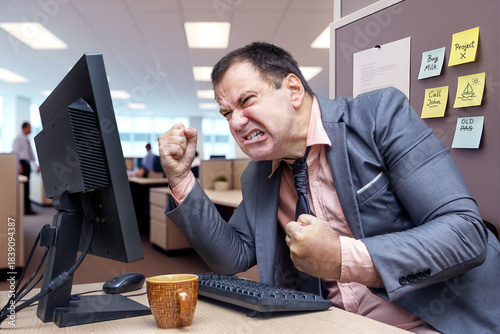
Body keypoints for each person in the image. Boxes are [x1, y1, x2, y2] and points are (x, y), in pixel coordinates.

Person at [158, 42, 500, 333]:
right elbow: (230, 257)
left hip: (429, 322)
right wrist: (181, 178)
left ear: (292, 89)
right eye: (225, 113)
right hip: (333, 323)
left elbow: (464, 234)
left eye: (246, 101)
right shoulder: (258, 175)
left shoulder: (378, 116)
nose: (235, 122)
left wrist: (341, 257)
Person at [12, 122, 38, 215]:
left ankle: (28, 208)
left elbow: (30, 154)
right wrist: (18, 165)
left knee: (27, 188)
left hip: (27, 164)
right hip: (22, 164)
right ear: (24, 128)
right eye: (29, 127)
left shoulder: (26, 139)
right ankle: (25, 209)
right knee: (24, 188)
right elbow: (15, 153)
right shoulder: (18, 139)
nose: (30, 130)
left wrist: (35, 165)